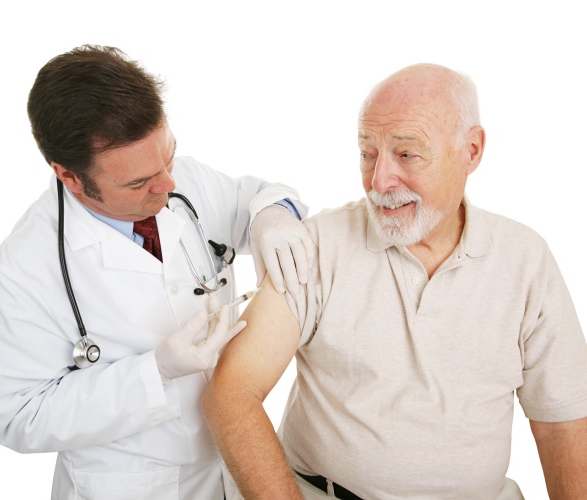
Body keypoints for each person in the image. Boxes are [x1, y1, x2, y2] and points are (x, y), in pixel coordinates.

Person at [203, 63, 587, 499]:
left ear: (472, 150)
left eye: (406, 154)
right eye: (367, 154)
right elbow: (232, 392)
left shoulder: (525, 260)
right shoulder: (318, 245)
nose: (379, 180)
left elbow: (564, 425)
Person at [0, 45, 315, 499]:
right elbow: (20, 418)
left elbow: (261, 195)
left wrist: (273, 215)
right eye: (139, 183)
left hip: (234, 464)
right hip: (131, 486)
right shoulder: (24, 269)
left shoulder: (185, 184)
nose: (168, 186)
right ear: (69, 176)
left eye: (170, 158)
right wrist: (154, 372)